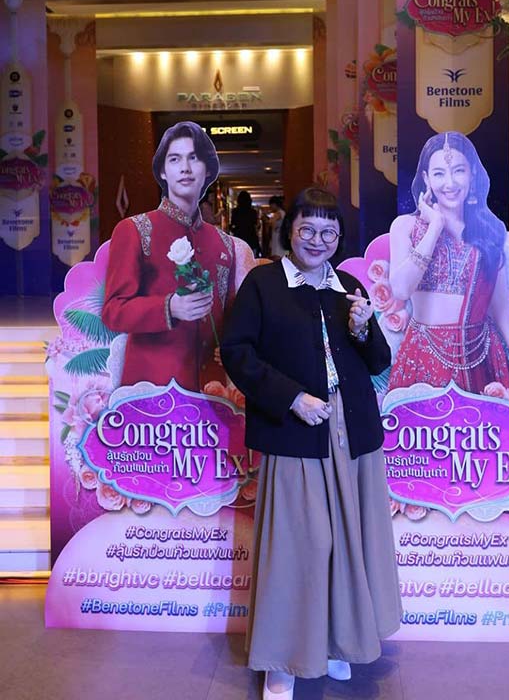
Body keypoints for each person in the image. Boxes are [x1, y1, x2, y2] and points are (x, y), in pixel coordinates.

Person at [221, 187, 402, 700]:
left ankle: (338, 642)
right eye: (307, 229)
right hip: (296, 429)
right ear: (289, 231)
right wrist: (291, 398)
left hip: (352, 433)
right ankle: (283, 662)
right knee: (300, 546)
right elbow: (236, 352)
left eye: (329, 232)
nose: (318, 240)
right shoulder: (263, 284)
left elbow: (378, 361)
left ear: (339, 237)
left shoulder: (348, 286)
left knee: (348, 541)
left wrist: (365, 330)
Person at [388, 131, 509, 399]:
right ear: (426, 179)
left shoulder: (488, 235)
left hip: (481, 362)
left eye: (458, 171)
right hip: (422, 360)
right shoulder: (406, 226)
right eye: (439, 173)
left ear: (472, 174)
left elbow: (504, 318)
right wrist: (435, 227)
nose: (450, 183)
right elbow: (401, 290)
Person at [102, 121, 254, 392]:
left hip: (212, 392)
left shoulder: (224, 243)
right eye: (175, 159)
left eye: (194, 158)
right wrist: (169, 307)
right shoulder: (135, 230)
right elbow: (114, 312)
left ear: (208, 170)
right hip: (152, 393)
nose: (185, 168)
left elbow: (229, 316)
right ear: (163, 170)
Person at [230, 189, 260, 255]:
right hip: (251, 236)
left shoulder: (235, 211)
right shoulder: (253, 212)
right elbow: (256, 225)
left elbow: (233, 224)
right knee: (251, 256)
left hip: (239, 236)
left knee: (239, 256)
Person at [268, 194, 286, 258]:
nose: (270, 207)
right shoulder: (283, 212)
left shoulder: (278, 213)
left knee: (277, 253)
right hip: (280, 235)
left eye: (271, 205)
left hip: (277, 236)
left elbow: (271, 223)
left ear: (274, 204)